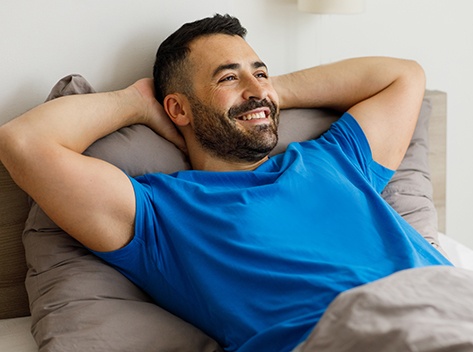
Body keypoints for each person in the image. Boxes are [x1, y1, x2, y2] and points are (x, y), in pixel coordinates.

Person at [0, 14, 450, 352]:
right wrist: (136, 102)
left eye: (260, 71)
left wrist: (269, 93)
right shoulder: (161, 213)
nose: (255, 88)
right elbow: (22, 142)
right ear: (178, 110)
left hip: (460, 309)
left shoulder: (334, 158)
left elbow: (403, 75)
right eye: (228, 78)